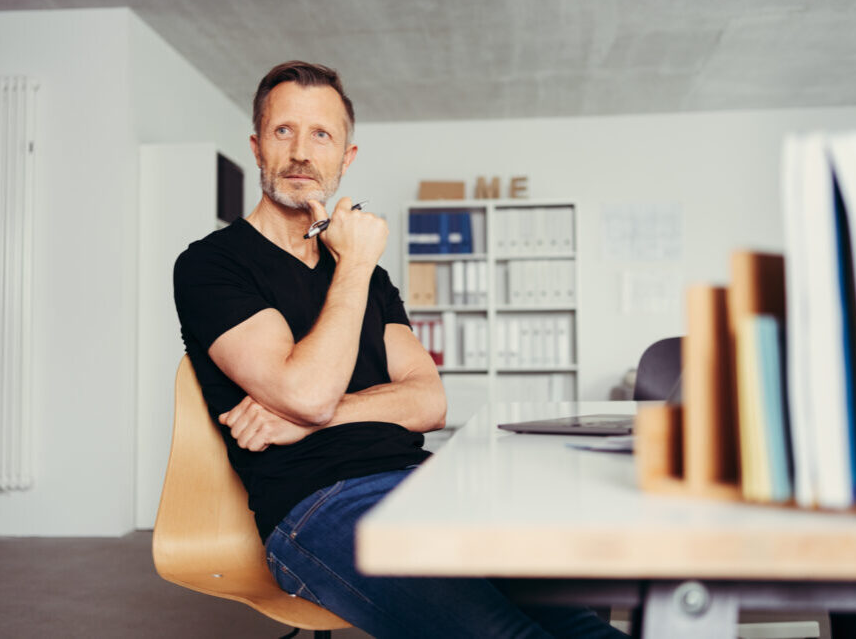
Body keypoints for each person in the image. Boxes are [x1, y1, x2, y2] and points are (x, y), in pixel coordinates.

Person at [173, 60, 627, 638]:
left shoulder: (369, 279)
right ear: (258, 147)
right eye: (284, 131)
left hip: (422, 481)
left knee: (575, 617)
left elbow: (430, 403)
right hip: (314, 506)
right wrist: (356, 262)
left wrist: (314, 419)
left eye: (322, 135)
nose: (301, 153)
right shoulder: (213, 264)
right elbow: (307, 393)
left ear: (347, 157)